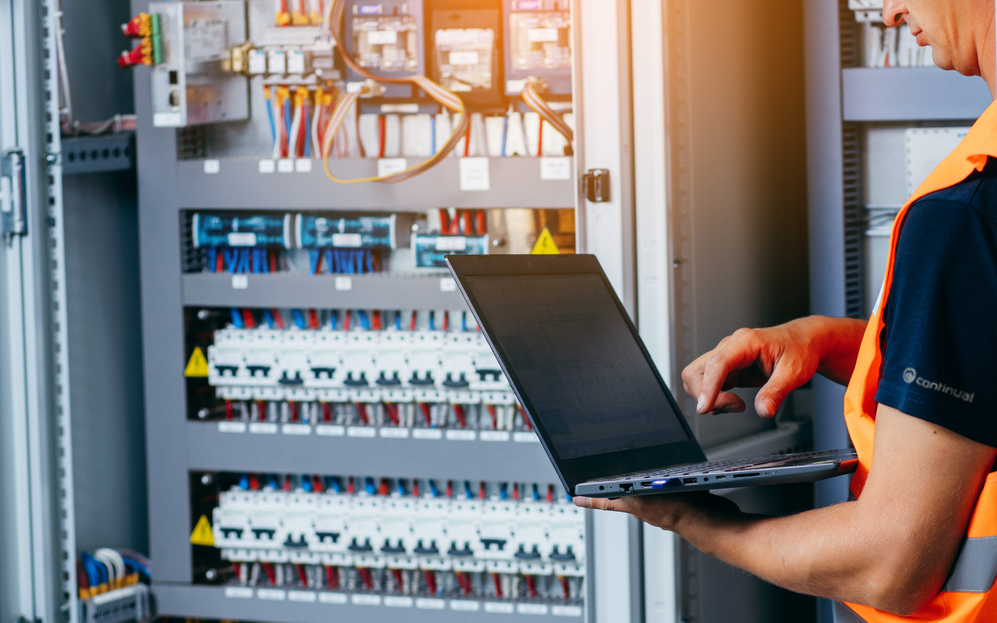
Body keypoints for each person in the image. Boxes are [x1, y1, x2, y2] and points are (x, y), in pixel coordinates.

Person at [572, 1, 997, 620]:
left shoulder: (966, 212)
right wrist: (829, 342)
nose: (890, 11)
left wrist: (697, 520)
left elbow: (890, 564)